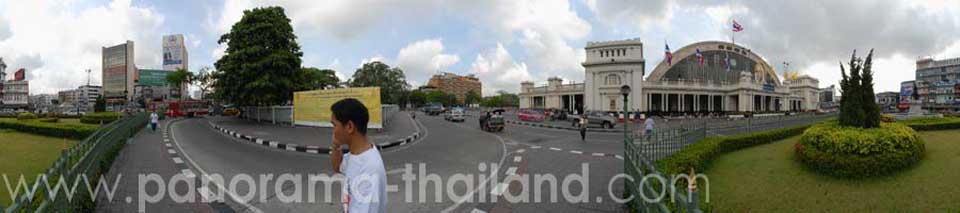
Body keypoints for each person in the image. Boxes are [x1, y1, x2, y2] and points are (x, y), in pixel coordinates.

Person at [329, 98, 387, 213]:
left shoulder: (369, 170)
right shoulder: (356, 154)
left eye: (334, 125)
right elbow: (337, 167)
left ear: (349, 126)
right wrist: (336, 146)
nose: (333, 131)